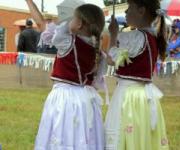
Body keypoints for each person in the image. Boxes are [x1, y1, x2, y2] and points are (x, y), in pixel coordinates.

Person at [26, 3, 105, 150]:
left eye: (73, 18)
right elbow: (95, 82)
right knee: (81, 135)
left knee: (63, 132)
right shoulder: (97, 51)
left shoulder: (67, 41)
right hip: (86, 100)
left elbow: (41, 24)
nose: (69, 21)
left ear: (80, 23)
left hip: (65, 98)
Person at [102, 0, 169, 149]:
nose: (126, 12)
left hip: (129, 96)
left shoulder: (136, 36)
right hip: (143, 96)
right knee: (140, 135)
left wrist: (113, 34)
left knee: (122, 132)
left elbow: (111, 59)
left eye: (129, 8)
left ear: (141, 10)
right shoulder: (152, 36)